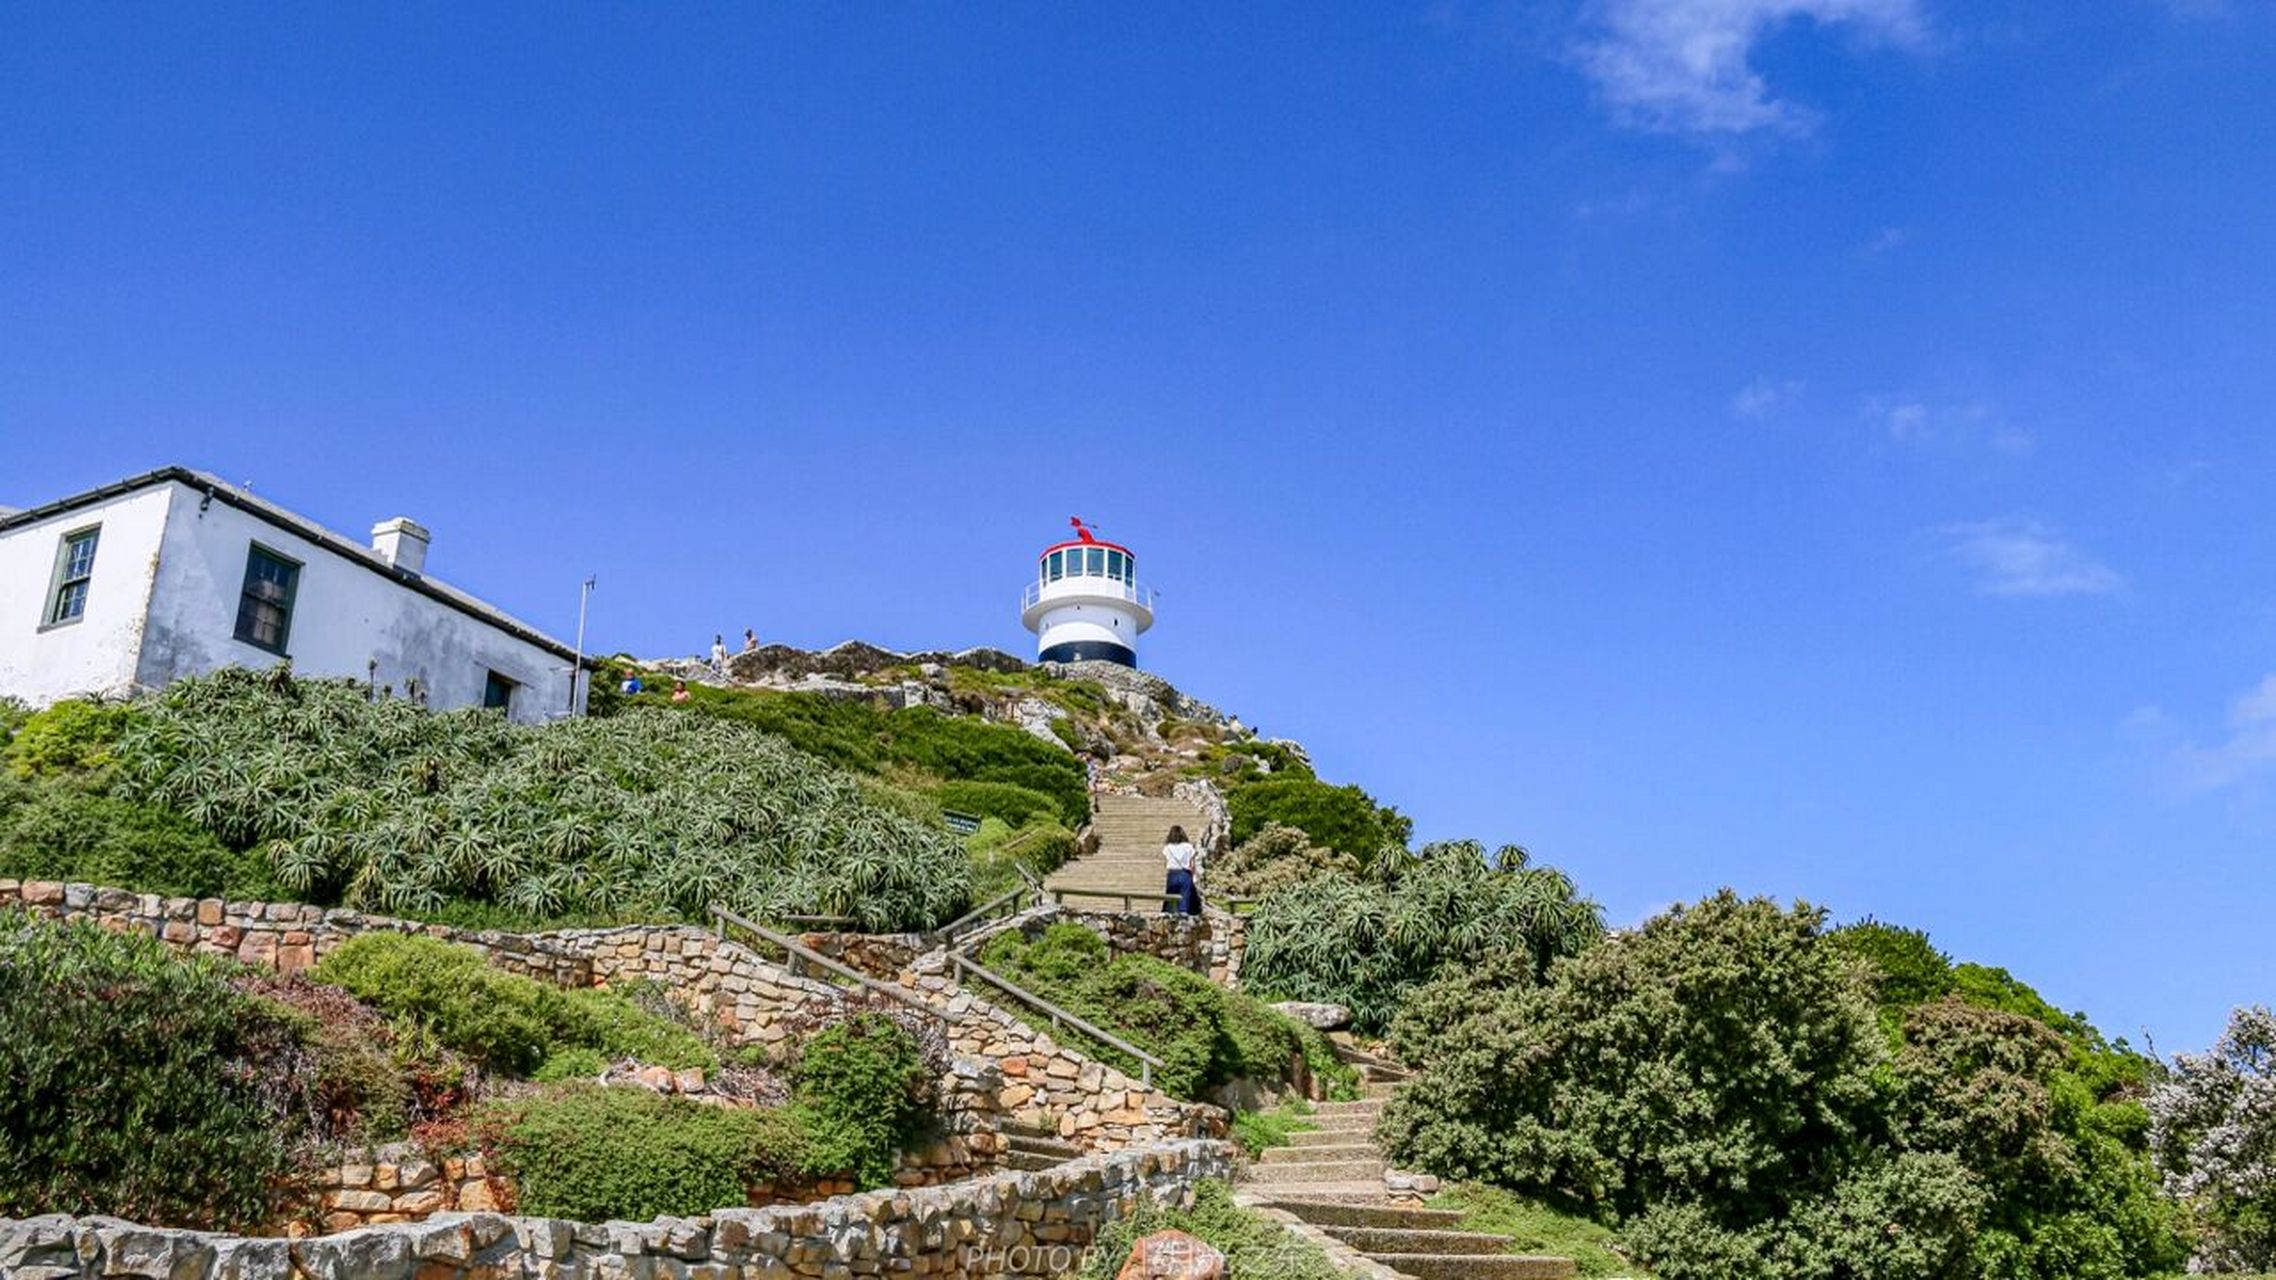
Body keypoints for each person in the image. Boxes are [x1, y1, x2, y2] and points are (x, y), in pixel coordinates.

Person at [1162, 824, 1202, 917]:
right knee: (1184, 901)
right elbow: (1192, 864)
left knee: (1171, 900)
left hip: (1172, 874)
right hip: (1185, 874)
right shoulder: (1188, 847)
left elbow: (1166, 863)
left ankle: (1170, 920)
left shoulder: (1167, 847)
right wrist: (1194, 876)